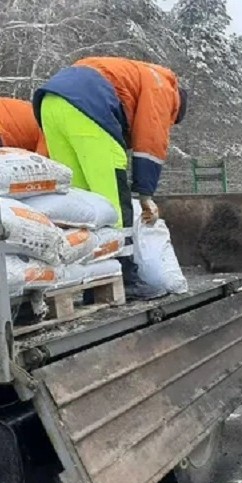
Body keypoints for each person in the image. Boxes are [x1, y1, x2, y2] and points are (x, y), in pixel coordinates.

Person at [32, 56, 188, 300]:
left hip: (50, 102)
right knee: (112, 203)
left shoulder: (130, 73)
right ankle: (125, 279)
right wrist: (144, 194)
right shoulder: (163, 85)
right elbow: (150, 142)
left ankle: (88, 281)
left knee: (79, 207)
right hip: (89, 105)